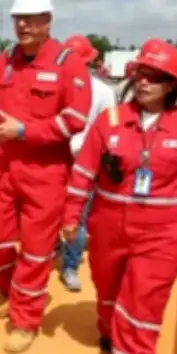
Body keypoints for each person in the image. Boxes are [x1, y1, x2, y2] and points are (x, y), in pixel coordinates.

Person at [62, 38, 177, 354]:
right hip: (108, 228)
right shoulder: (110, 121)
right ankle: (108, 329)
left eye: (155, 76)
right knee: (108, 289)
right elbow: (83, 173)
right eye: (141, 73)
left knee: (142, 304)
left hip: (162, 235)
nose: (144, 81)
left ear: (173, 84)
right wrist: (72, 217)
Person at [0, 0, 93, 353]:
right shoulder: (7, 58)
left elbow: (75, 119)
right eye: (19, 18)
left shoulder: (69, 62)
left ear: (48, 20)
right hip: (5, 165)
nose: (23, 25)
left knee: (35, 251)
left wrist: (24, 131)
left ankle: (25, 319)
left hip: (47, 171)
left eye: (31, 18)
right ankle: (15, 291)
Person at [58, 34, 117, 292]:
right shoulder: (104, 91)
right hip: (87, 159)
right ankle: (69, 265)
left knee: (57, 209)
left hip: (61, 155)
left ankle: (60, 258)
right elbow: (110, 130)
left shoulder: (57, 86)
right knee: (78, 213)